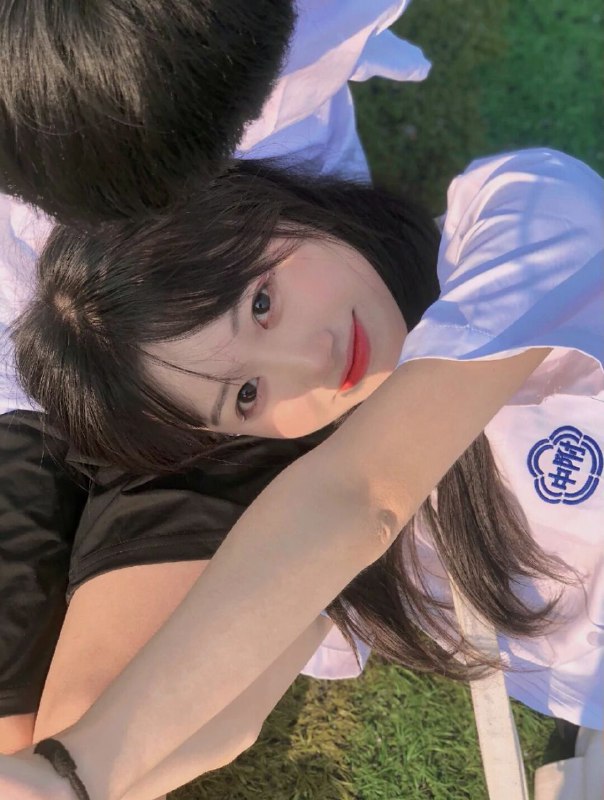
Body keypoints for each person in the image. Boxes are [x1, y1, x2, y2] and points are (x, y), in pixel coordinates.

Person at [4, 147, 602, 799]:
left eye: (262, 302)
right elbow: (230, 709)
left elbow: (367, 494)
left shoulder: (524, 214)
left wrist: (79, 772)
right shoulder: (312, 517)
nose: (312, 361)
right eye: (247, 395)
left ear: (263, 208)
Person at [0, 0, 429, 764]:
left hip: (189, 390)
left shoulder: (267, 355)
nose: (316, 359)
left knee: (81, 726)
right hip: (35, 376)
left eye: (265, 302)